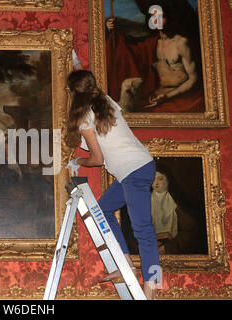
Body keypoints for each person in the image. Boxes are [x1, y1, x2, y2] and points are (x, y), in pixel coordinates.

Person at [65, 70, 160, 300]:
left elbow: (97, 159)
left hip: (133, 172)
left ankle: (152, 290)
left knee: (143, 231)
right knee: (103, 209)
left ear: (72, 93)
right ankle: (125, 263)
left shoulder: (86, 117)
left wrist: (78, 160)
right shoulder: (107, 102)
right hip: (137, 169)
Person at [105, 2, 203, 113]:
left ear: (169, 17)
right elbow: (130, 54)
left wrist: (167, 97)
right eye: (153, 16)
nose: (156, 20)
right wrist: (111, 31)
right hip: (156, 97)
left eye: (160, 16)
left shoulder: (181, 43)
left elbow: (193, 79)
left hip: (179, 98)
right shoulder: (153, 43)